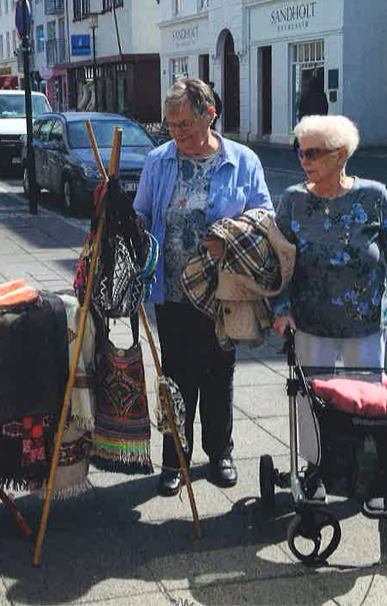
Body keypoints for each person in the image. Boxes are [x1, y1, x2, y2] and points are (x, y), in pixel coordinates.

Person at [271, 115, 387, 509]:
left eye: (313, 153)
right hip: (310, 323)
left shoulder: (373, 197)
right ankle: (316, 470)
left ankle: (373, 476)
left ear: (340, 155)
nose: (304, 161)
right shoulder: (292, 200)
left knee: (371, 406)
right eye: (300, 152)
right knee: (312, 403)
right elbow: (276, 264)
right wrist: (281, 310)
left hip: (365, 324)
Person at [134, 78, 274, 496]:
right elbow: (142, 213)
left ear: (208, 116)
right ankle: (174, 460)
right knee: (175, 378)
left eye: (185, 125)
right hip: (172, 293)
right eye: (171, 125)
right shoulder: (158, 161)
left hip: (224, 291)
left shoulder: (242, 161)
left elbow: (265, 217)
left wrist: (230, 236)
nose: (177, 133)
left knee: (218, 373)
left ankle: (220, 454)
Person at [293, 74, 329, 152]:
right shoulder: (322, 95)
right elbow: (326, 107)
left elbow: (301, 107)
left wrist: (302, 118)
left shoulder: (306, 95)